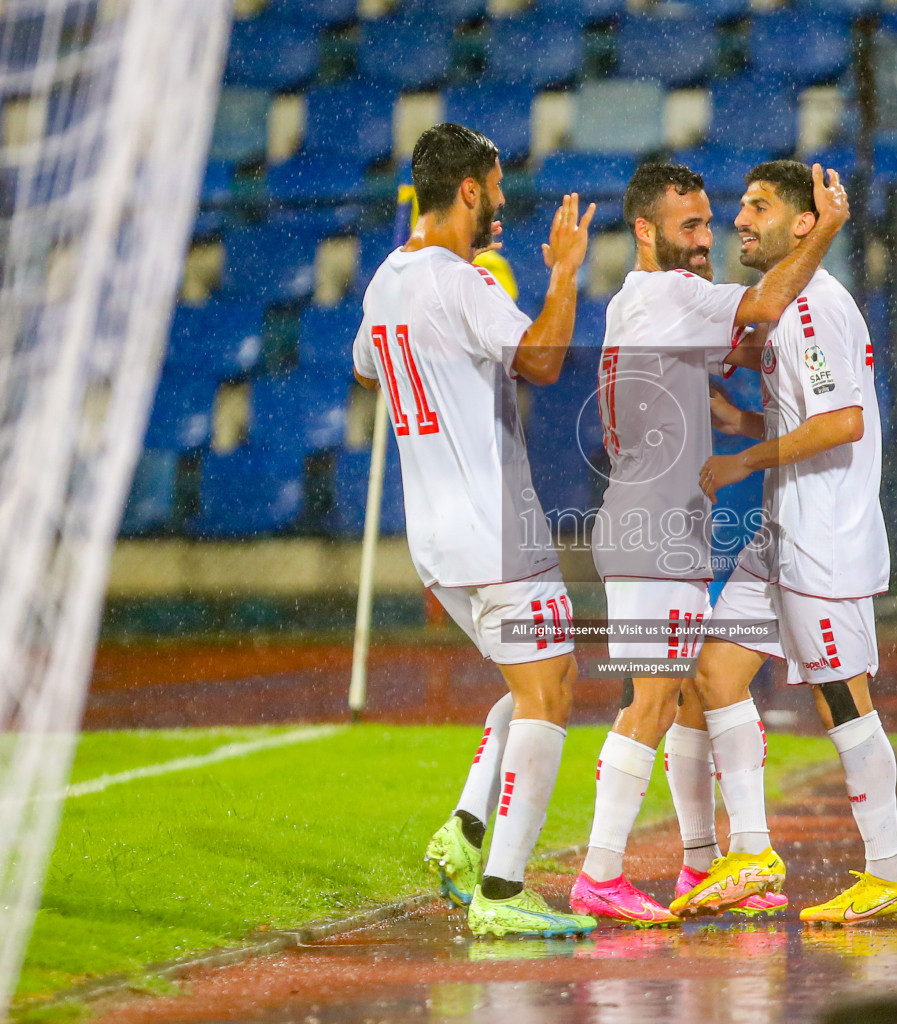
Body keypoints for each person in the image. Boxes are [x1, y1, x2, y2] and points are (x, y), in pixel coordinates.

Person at [568, 161, 850, 925]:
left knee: (690, 689)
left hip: (657, 525)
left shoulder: (639, 300)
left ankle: (703, 864)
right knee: (652, 701)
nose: (704, 240)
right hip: (652, 529)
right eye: (687, 226)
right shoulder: (669, 294)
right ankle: (599, 874)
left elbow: (729, 340)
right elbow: (763, 303)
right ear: (643, 229)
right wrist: (825, 229)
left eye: (706, 224)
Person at [351, 122, 598, 937]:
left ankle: (463, 834)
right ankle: (502, 891)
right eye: (495, 188)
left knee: (523, 687)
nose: (502, 205)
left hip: (436, 536)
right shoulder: (460, 284)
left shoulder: (387, 280)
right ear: (467, 190)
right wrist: (563, 274)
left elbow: (364, 361)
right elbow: (542, 359)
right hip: (494, 525)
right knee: (551, 688)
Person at [672, 160, 897, 924]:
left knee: (842, 701)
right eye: (739, 204)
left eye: (759, 206)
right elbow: (802, 416)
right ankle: (749, 853)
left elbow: (844, 421)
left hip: (821, 542)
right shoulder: (789, 305)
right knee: (712, 674)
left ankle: (890, 873)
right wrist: (741, 420)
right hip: (781, 534)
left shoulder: (812, 307)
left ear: (804, 223)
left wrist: (743, 457)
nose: (739, 219)